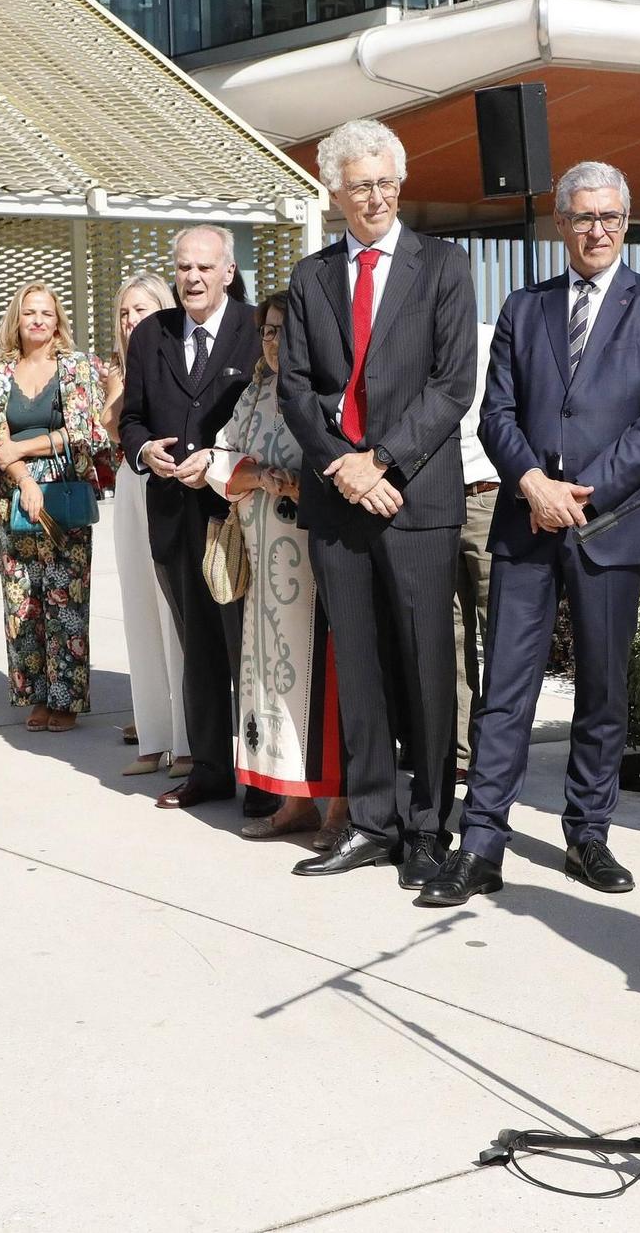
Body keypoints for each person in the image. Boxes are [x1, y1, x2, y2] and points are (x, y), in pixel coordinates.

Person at [422, 162, 640, 906]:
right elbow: (494, 414)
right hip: (524, 522)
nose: (596, 230)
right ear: (560, 224)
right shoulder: (523, 306)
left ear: (626, 222)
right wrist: (531, 484)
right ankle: (482, 843)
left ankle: (588, 834)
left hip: (612, 525)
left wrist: (580, 493)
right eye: (582, 217)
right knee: (506, 689)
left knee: (601, 689)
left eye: (608, 217)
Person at [279, 118, 478, 887]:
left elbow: (453, 383)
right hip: (338, 502)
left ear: (402, 182)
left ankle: (429, 826)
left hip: (416, 498)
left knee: (426, 668)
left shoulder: (444, 266)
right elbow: (297, 391)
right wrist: (343, 467)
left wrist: (383, 460)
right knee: (356, 667)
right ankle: (371, 819)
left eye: (386, 182)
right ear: (335, 190)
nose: (374, 197)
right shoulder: (311, 278)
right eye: (359, 184)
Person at [118, 228, 261, 810]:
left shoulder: (257, 330)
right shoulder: (152, 334)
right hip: (175, 515)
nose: (193, 277)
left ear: (228, 271)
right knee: (197, 647)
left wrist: (223, 462)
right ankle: (208, 769)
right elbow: (131, 417)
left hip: (240, 515)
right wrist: (144, 449)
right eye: (184, 268)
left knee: (247, 649)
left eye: (205, 267)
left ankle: (261, 778)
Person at [206, 294, 352, 843]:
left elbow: (342, 460)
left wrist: (295, 482)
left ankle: (340, 806)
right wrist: (256, 476)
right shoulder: (256, 391)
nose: (271, 342)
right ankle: (295, 802)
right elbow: (219, 458)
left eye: (283, 332)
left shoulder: (325, 392)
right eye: (266, 332)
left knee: (327, 681)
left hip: (316, 562)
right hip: (264, 564)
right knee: (273, 683)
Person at [0, 282, 111, 730]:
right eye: (30, 312)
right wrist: (23, 477)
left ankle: (66, 698)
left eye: (47, 314)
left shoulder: (76, 367)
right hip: (14, 495)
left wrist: (25, 449)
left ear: (58, 322)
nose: (38, 320)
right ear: (16, 318)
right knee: (22, 601)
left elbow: (86, 433)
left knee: (65, 598)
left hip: (64, 495)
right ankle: (36, 694)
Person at [104, 272, 193, 781]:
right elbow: (111, 422)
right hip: (131, 485)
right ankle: (153, 734)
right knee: (139, 608)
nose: (131, 320)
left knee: (173, 613)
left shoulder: (179, 357)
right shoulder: (120, 369)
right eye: (124, 312)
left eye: (141, 310)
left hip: (173, 484)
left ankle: (186, 739)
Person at [452, 319, 497, 786]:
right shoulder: (417, 336)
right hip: (436, 498)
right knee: (450, 633)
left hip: (489, 494)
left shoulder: (490, 337)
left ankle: (500, 747)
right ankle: (462, 750)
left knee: (498, 627)